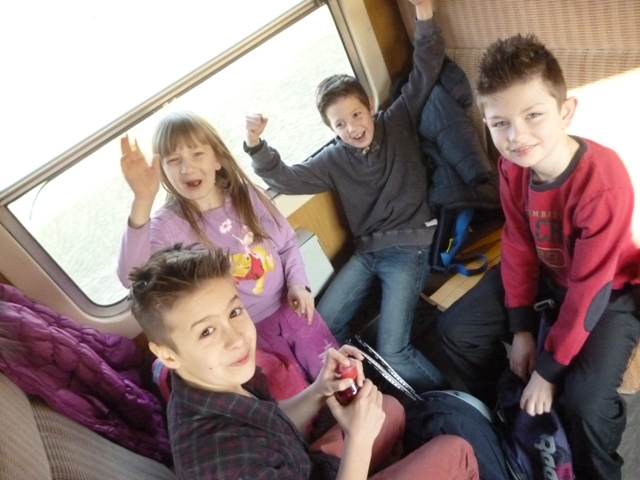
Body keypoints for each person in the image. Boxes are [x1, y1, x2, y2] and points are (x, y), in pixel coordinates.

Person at [437, 33, 640, 480]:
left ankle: (596, 469)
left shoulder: (602, 184)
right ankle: (514, 415)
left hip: (610, 291)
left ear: (565, 111)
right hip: (550, 275)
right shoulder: (513, 167)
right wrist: (521, 329)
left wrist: (547, 372)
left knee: (583, 403)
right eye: (500, 123)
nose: (518, 136)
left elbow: (589, 289)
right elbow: (518, 244)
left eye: (533, 115)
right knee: (456, 330)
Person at [128, 243, 480, 480]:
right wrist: (358, 439)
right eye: (207, 332)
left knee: (389, 408)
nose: (236, 339)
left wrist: (320, 389)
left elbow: (271, 423)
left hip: (302, 467)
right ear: (167, 354)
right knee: (457, 451)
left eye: (234, 312)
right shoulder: (229, 463)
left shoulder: (208, 383)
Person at [244, 0, 448, 393]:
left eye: (356, 115)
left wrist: (424, 15)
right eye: (340, 124)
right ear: (331, 129)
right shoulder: (333, 160)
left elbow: (425, 69)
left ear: (369, 105)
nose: (353, 128)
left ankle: (451, 404)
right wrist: (255, 145)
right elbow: (285, 178)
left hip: (410, 247)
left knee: (393, 349)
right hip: (366, 252)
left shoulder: (397, 121)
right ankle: (358, 392)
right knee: (320, 327)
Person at [117, 111, 338, 382]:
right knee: (294, 391)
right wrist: (142, 199)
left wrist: (298, 284)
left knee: (335, 373)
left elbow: (287, 244)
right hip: (244, 334)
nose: (187, 168)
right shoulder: (168, 225)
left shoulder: (247, 195)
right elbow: (133, 277)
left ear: (217, 159)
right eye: (174, 161)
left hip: (293, 309)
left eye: (197, 154)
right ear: (162, 171)